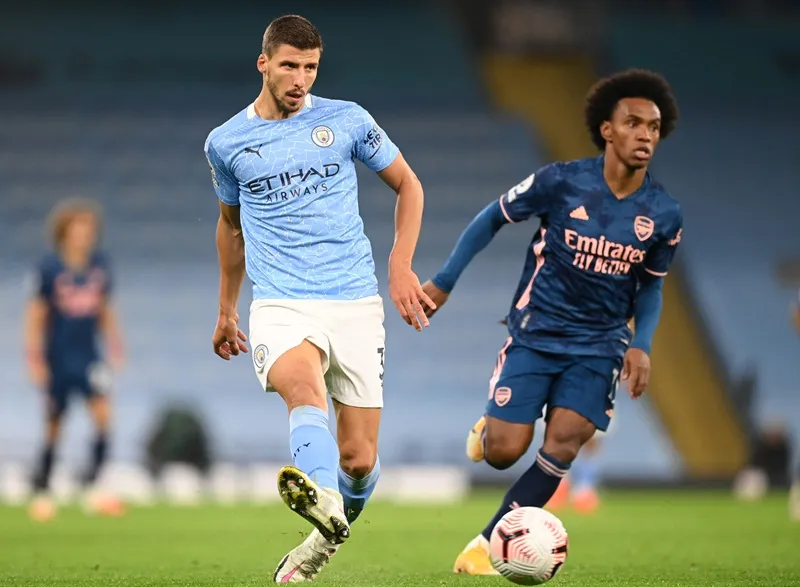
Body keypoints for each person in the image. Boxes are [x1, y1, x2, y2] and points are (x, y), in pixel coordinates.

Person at [420, 69, 683, 575]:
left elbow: (651, 285)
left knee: (564, 441)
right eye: (633, 123)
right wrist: (445, 280)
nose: (645, 134)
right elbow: (490, 217)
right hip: (537, 333)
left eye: (653, 126)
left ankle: (485, 543)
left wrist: (641, 343)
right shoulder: (561, 182)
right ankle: (490, 424)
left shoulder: (664, 212)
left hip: (601, 344)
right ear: (607, 129)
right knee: (501, 452)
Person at [204, 14, 433, 582]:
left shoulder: (347, 119)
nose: (300, 78)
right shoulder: (226, 142)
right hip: (281, 302)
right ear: (263, 63)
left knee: (360, 459)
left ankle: (319, 541)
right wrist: (228, 308)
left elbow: (409, 184)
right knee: (302, 389)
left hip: (355, 301)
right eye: (289, 65)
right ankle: (321, 492)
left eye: (310, 67)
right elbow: (230, 226)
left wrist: (400, 263)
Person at [25, 198, 125, 522]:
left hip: (90, 357)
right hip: (59, 357)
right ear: (64, 233)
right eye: (78, 229)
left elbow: (106, 310)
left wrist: (115, 346)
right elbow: (36, 315)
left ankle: (93, 484)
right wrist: (35, 358)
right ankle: (42, 487)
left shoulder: (100, 266)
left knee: (103, 417)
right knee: (55, 423)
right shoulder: (49, 269)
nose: (84, 235)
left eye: (88, 229)